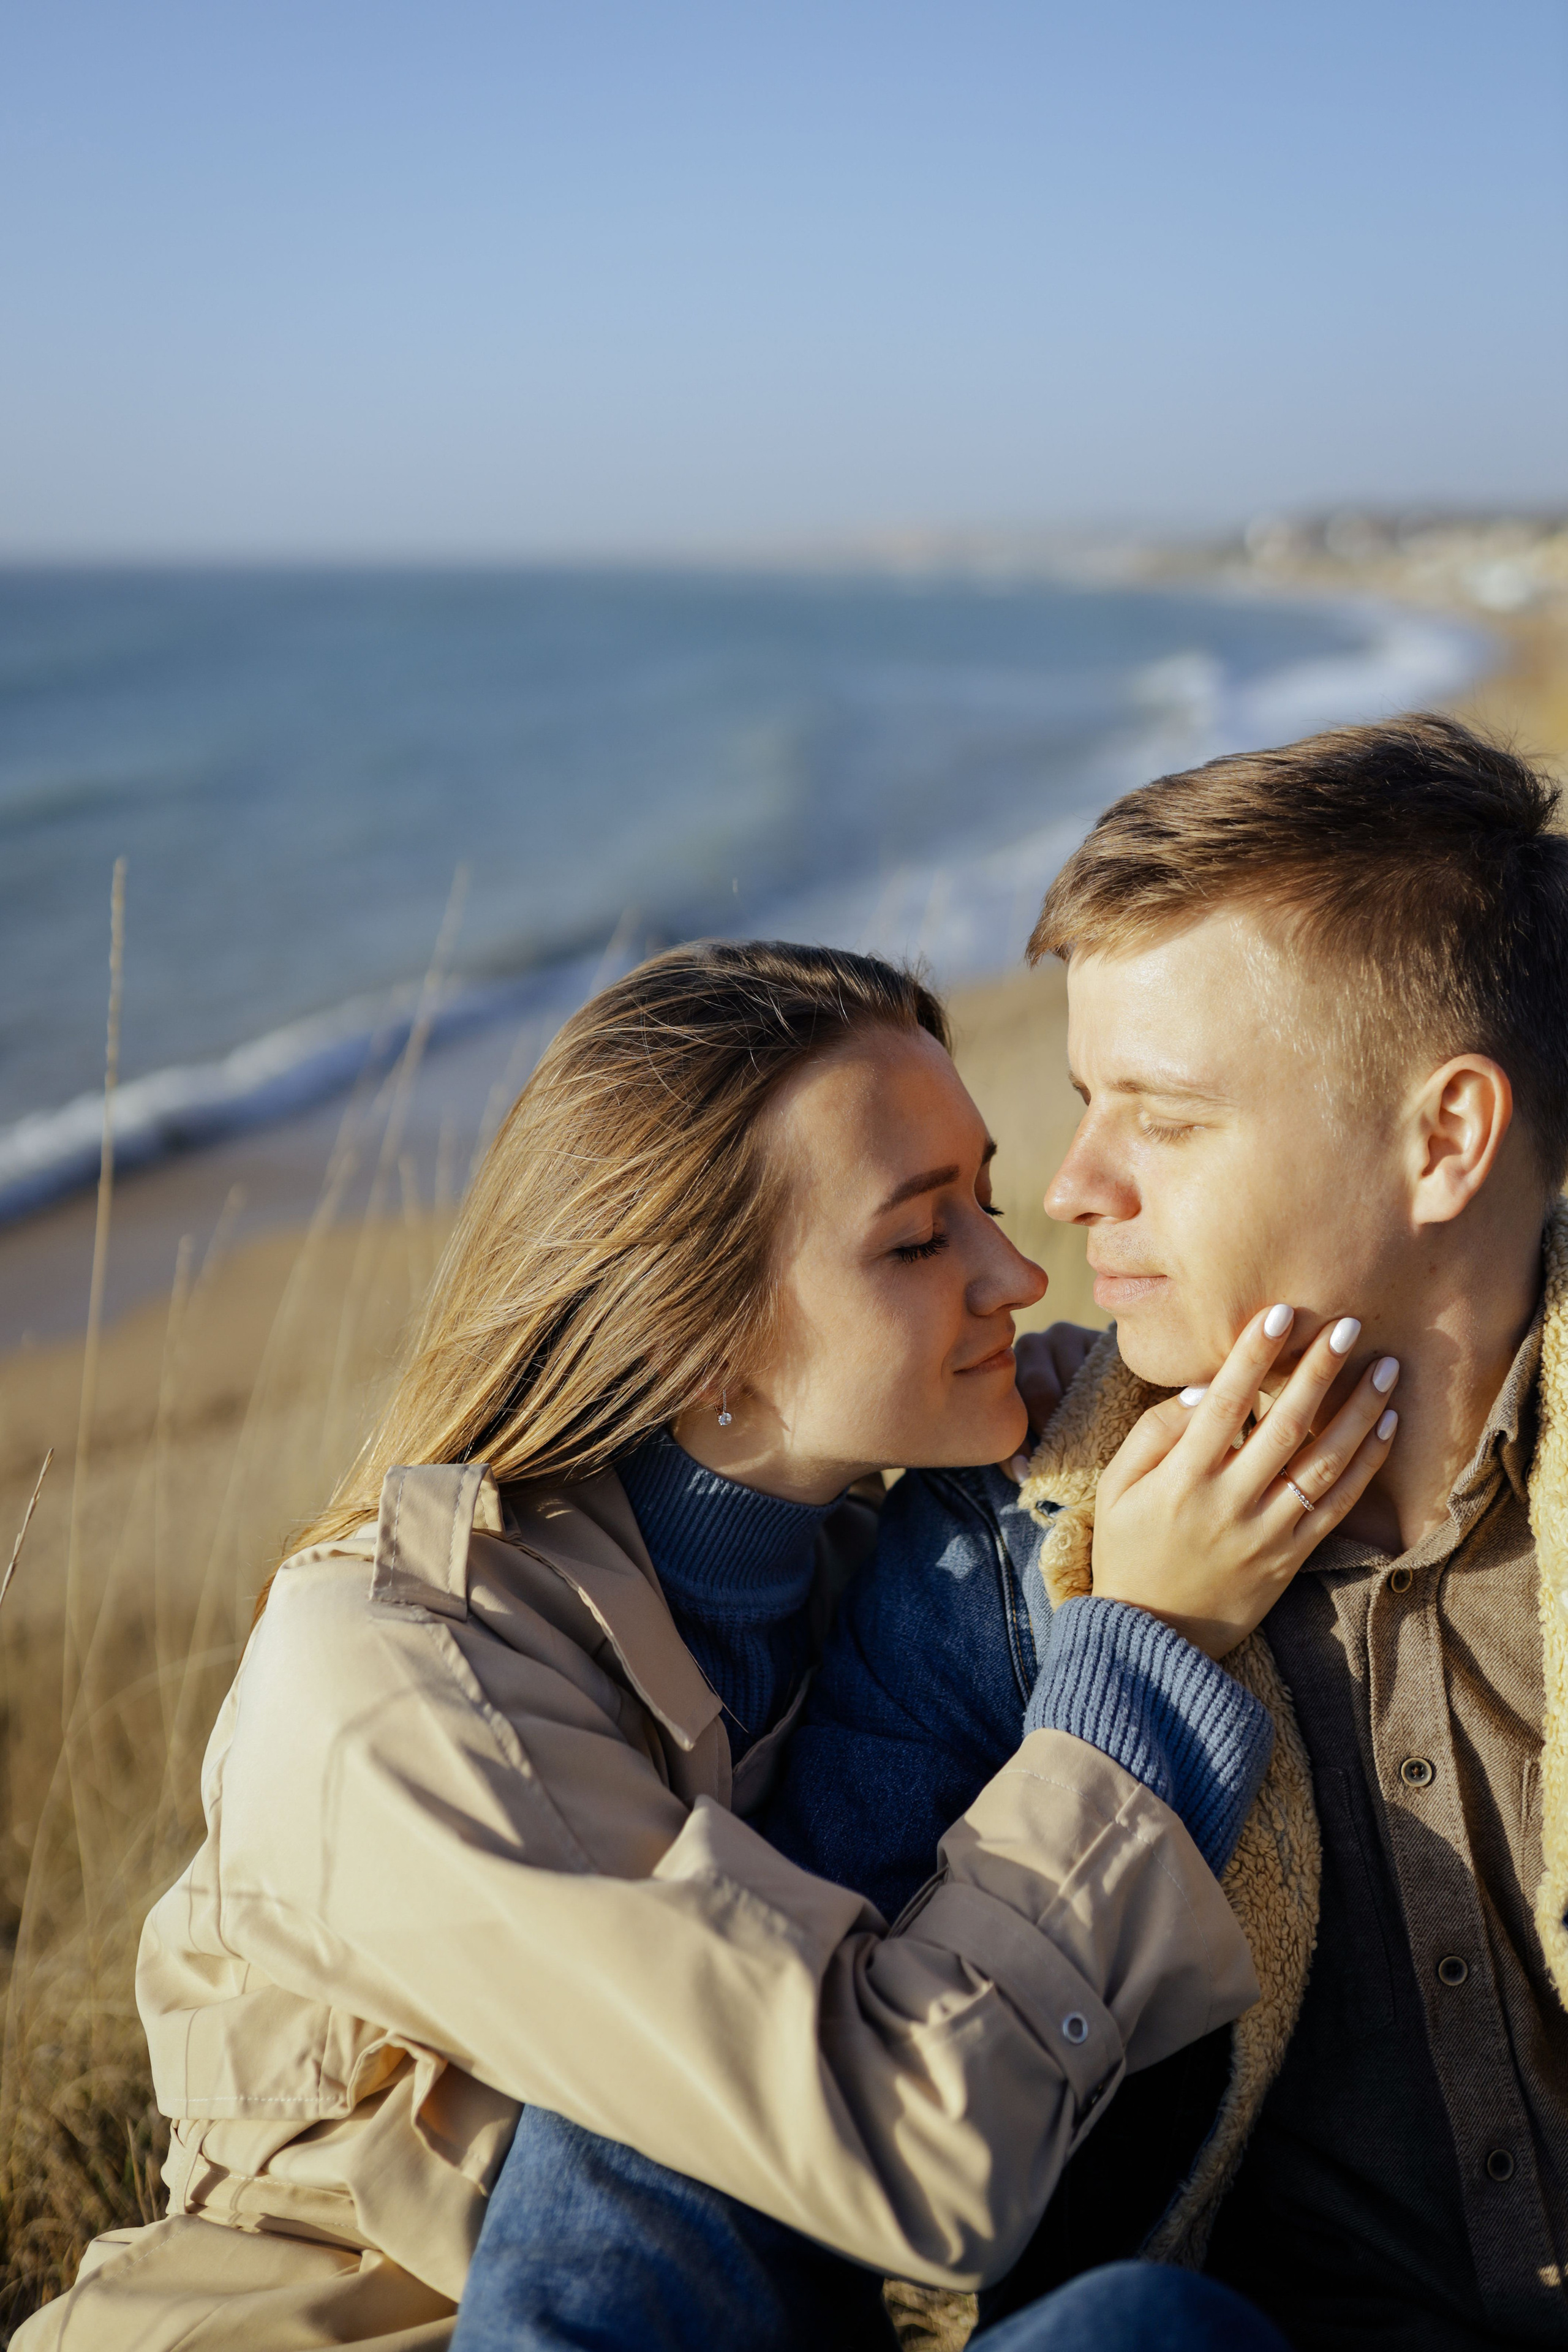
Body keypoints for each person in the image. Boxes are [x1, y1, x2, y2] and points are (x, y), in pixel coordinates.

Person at [20, 940, 1393, 2351]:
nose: (1016, 1274)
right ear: (696, 1342)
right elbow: (910, 2159)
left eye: (983, 1198)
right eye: (921, 1240)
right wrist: (1145, 1650)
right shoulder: (391, 1679)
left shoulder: (868, 1568)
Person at [489, 710, 1562, 2352]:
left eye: (1168, 1114)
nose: (1071, 1190)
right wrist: (1128, 1660)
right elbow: (754, 2100)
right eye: (1081, 1100)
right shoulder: (1006, 1551)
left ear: (1447, 1140)